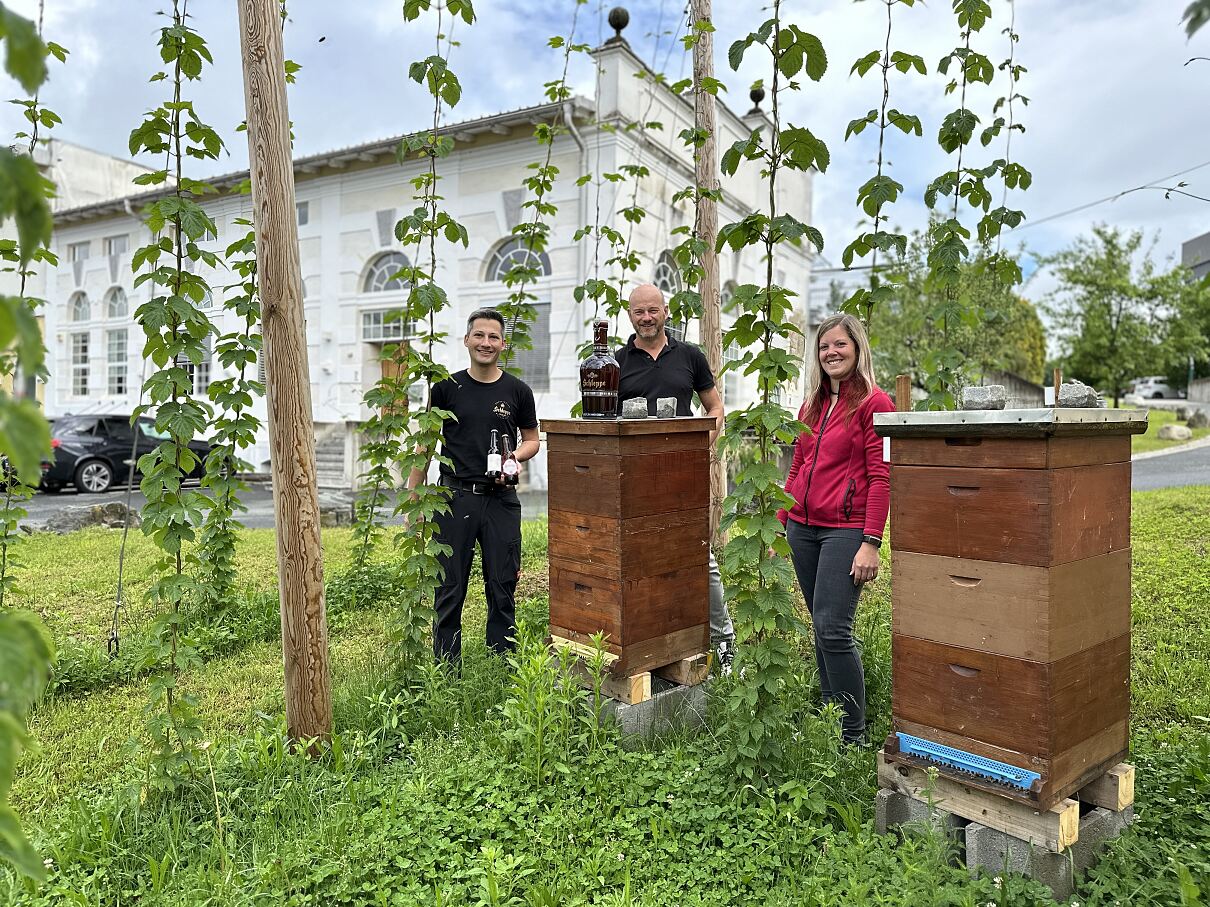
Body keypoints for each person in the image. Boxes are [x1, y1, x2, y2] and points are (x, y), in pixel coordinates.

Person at [776, 312, 894, 745]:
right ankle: (830, 712)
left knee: (832, 628)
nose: (831, 353)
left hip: (845, 530)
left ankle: (852, 734)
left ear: (857, 348)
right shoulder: (811, 405)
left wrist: (870, 542)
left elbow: (881, 477)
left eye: (840, 344)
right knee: (820, 625)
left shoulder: (875, 404)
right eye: (824, 346)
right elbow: (799, 466)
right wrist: (780, 523)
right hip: (803, 529)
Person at [406, 308, 541, 662]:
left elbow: (532, 440)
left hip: (501, 500)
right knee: (449, 588)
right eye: (479, 335)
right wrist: (414, 502)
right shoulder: (446, 389)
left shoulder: (517, 390)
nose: (486, 343)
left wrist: (515, 457)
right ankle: (447, 667)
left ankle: (502, 662)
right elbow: (425, 446)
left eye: (493, 336)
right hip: (454, 497)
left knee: (502, 584)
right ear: (466, 340)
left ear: (503, 343)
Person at [614, 283, 736, 671]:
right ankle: (652, 639)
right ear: (629, 315)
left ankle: (724, 643)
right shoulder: (615, 362)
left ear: (666, 311)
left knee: (699, 557)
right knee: (638, 562)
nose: (646, 317)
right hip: (632, 482)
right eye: (638, 312)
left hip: (681, 479)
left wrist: (703, 446)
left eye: (652, 310)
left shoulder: (690, 356)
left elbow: (715, 407)